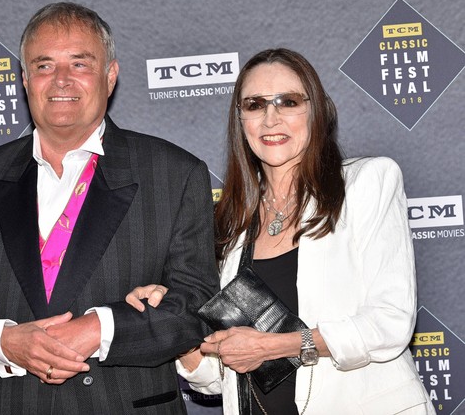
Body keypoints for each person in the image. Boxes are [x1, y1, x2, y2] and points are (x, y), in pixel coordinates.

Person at [0, 2, 218, 414]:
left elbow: (197, 306)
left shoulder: (175, 173)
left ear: (110, 76)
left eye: (80, 64)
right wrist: (7, 342)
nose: (60, 80)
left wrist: (99, 329)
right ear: (25, 80)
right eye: (43, 66)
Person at [127, 49, 435, 414]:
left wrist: (274, 345)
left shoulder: (365, 183)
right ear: (241, 120)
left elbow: (389, 324)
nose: (271, 118)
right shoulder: (230, 224)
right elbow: (216, 378)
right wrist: (175, 322)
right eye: (255, 104)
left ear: (316, 111)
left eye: (288, 102)